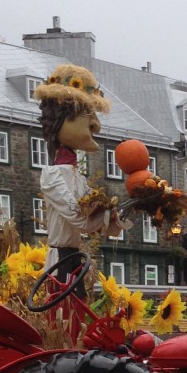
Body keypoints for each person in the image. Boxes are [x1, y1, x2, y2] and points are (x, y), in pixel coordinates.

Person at [35, 63, 121, 276]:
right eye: (87, 115)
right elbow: (79, 217)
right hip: (60, 261)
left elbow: (100, 219)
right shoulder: (52, 176)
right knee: (65, 298)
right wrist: (106, 214)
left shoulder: (76, 175)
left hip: (72, 257)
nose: (96, 125)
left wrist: (116, 212)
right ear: (61, 120)